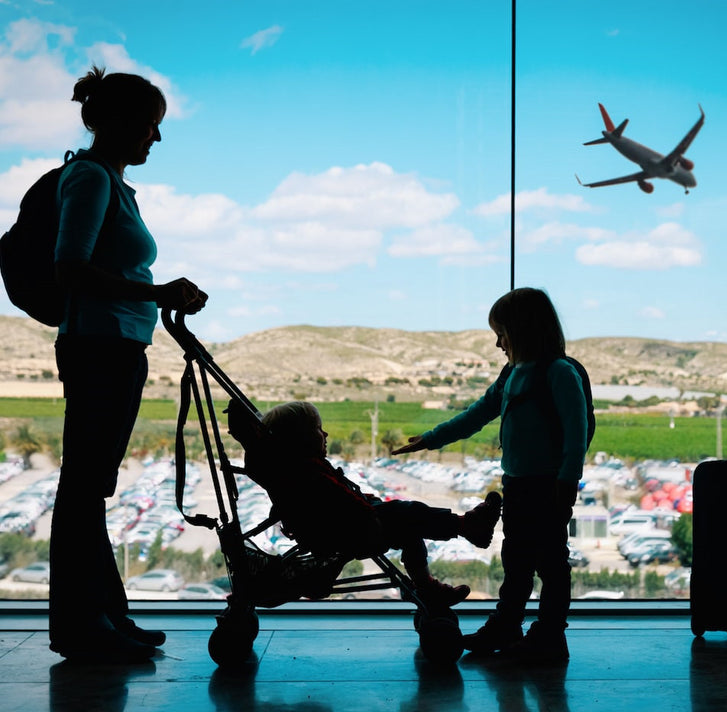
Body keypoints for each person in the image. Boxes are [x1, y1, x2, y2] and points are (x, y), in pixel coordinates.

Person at [49, 67, 209, 663]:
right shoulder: (90, 179)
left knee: (90, 488)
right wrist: (157, 292)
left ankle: (105, 616)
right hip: (99, 347)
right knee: (83, 489)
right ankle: (82, 624)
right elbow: (71, 268)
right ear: (114, 123)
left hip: (114, 346)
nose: (156, 139)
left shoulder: (110, 182)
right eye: (150, 126)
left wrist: (155, 296)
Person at [394, 287, 588, 665]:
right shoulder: (513, 374)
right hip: (517, 484)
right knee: (516, 561)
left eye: (502, 333)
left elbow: (575, 436)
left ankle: (548, 637)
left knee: (550, 564)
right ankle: (508, 627)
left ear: (522, 329)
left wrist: (566, 486)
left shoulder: (559, 373)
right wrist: (430, 440)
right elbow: (478, 413)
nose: (498, 343)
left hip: (548, 487)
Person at [252, 401, 501, 609]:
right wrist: (370, 506)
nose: (325, 435)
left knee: (410, 527)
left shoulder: (297, 472)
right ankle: (465, 526)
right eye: (319, 429)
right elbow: (345, 502)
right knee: (409, 513)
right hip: (356, 529)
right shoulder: (310, 473)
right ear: (301, 439)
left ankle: (427, 586)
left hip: (347, 527)